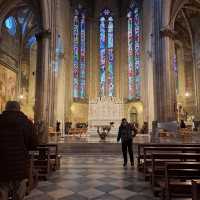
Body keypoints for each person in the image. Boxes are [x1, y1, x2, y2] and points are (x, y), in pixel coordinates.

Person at [0, 101, 37, 200]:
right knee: (19, 190)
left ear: (6, 108)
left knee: (3, 189)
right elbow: (34, 143)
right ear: (19, 109)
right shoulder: (26, 122)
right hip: (20, 164)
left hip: (2, 164)